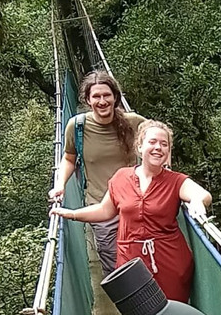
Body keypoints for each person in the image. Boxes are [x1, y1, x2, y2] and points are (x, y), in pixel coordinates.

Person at [51, 120, 210, 303]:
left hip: (170, 262)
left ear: (168, 152)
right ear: (140, 146)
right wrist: (71, 214)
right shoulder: (121, 177)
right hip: (130, 261)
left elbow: (203, 195)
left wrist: (197, 201)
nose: (158, 147)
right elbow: (105, 210)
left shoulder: (176, 181)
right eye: (152, 142)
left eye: (164, 144)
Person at [49, 71, 145, 276]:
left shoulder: (133, 122)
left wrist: (167, 173)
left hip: (135, 205)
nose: (102, 101)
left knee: (143, 258)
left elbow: (161, 139)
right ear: (87, 100)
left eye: (106, 95)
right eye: (96, 96)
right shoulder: (77, 126)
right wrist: (60, 185)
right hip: (99, 208)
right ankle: (129, 304)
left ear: (115, 97)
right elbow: (69, 158)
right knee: (114, 266)